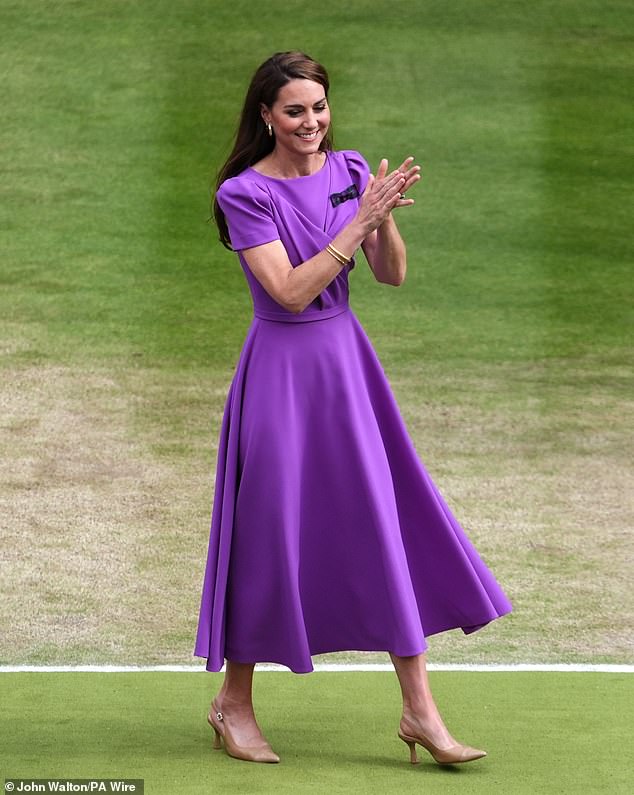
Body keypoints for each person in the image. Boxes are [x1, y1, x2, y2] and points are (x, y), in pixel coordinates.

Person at [194, 51, 512, 766]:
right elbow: (291, 292)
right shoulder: (245, 194)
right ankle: (233, 704)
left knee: (381, 522)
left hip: (347, 371)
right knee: (269, 531)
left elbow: (391, 275)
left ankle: (420, 712)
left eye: (319, 108)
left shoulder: (351, 171)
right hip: (280, 375)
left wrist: (383, 219)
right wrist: (356, 220)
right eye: (295, 111)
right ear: (266, 118)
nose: (311, 123)